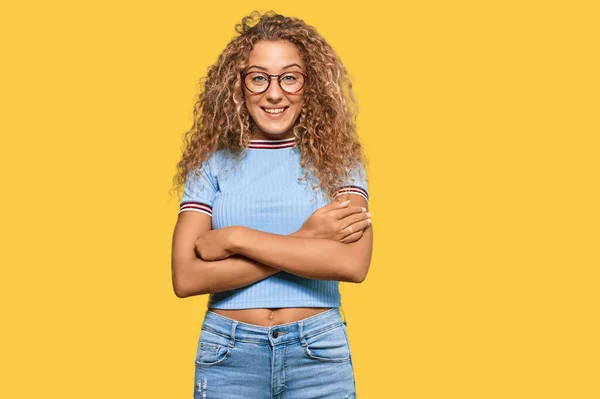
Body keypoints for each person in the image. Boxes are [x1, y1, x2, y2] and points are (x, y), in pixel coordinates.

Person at [171, 11, 373, 398]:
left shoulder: (340, 161)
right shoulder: (210, 163)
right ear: (239, 86)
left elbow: (351, 264)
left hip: (319, 353)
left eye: (289, 77)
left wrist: (235, 237)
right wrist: (308, 237)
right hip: (228, 353)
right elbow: (186, 277)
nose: (274, 93)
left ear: (308, 85)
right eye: (259, 77)